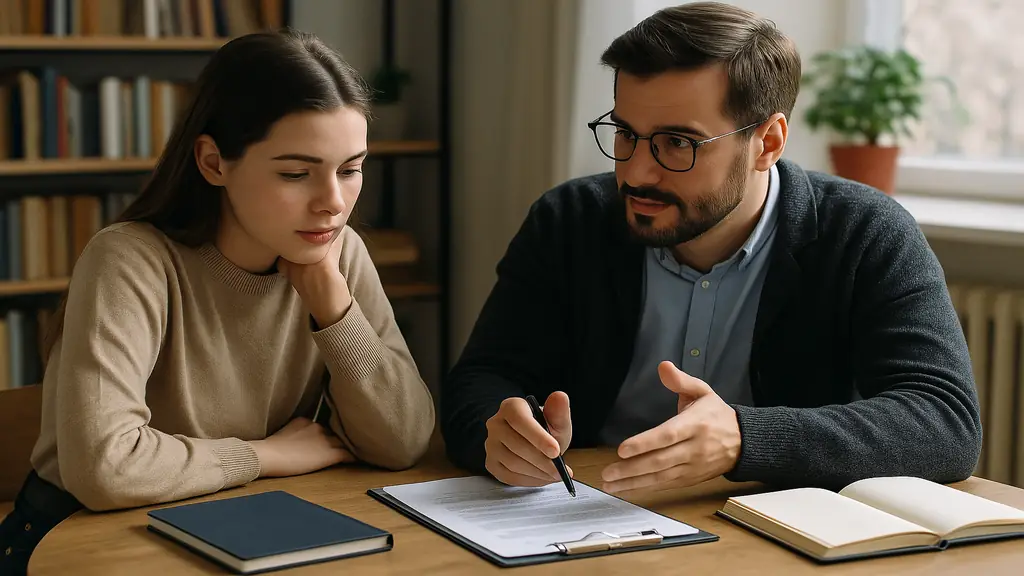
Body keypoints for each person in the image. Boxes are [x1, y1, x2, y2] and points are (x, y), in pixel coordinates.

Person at [441, 2, 981, 496]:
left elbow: (944, 422)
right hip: (579, 516)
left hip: (763, 529)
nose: (635, 172)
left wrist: (745, 439)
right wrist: (499, 429)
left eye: (678, 143)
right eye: (625, 133)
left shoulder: (864, 231)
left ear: (767, 142)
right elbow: (481, 379)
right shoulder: (569, 220)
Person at [0, 29, 434, 575]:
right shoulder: (130, 260)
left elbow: (404, 440)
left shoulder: (338, 254)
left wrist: (336, 309)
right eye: (296, 173)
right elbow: (104, 467)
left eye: (351, 169)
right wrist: (265, 456)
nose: (333, 203)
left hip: (237, 523)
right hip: (76, 540)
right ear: (213, 162)